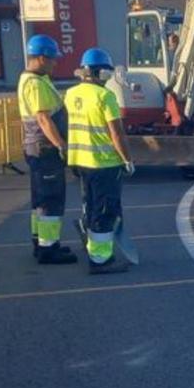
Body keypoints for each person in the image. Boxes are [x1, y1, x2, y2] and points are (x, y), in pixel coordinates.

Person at [64, 47, 135, 274]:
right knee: (105, 212)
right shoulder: (105, 96)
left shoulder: (71, 94)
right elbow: (116, 133)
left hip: (80, 162)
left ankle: (93, 245)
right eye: (106, 72)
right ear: (100, 73)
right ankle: (101, 259)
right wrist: (127, 159)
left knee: (91, 206)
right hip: (104, 163)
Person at [17, 34, 77, 265]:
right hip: (44, 148)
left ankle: (40, 241)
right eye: (53, 59)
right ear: (41, 58)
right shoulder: (35, 83)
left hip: (37, 148)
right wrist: (61, 145)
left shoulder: (35, 80)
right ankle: (48, 248)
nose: (55, 63)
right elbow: (43, 119)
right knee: (51, 198)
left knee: (40, 198)